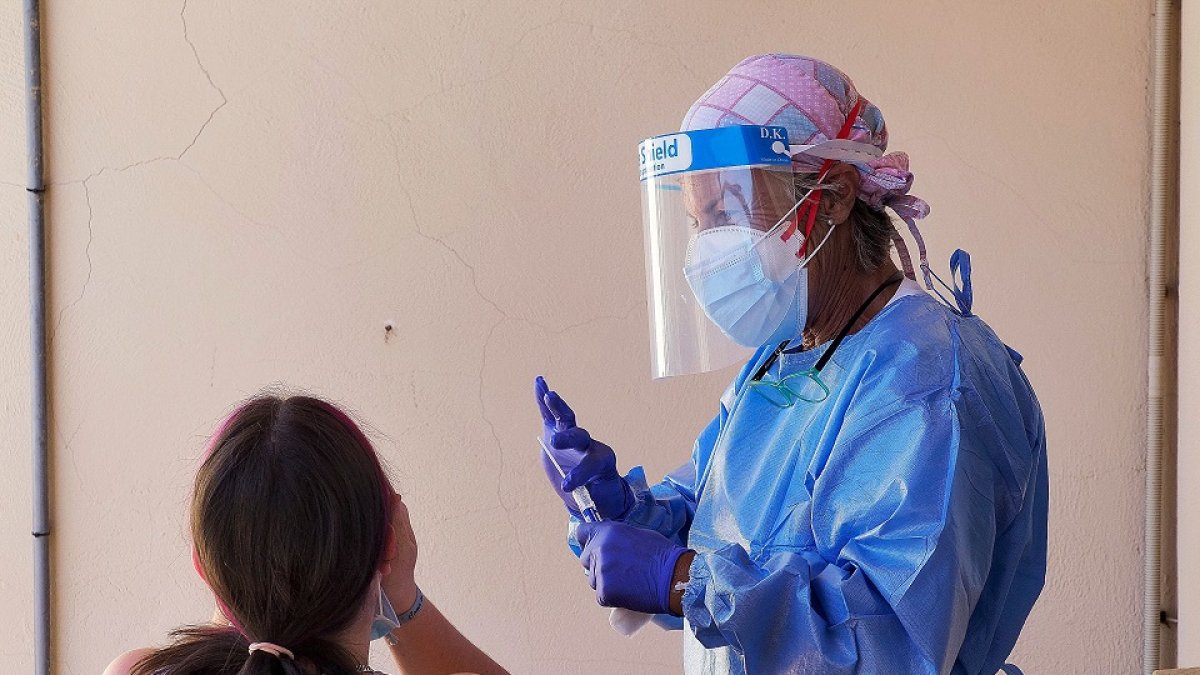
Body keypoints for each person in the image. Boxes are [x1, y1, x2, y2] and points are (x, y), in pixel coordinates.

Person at [535, 54, 1047, 674]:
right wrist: (627, 516)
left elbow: (889, 639)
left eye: (727, 215)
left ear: (828, 198)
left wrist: (680, 581)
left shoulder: (929, 380)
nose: (706, 252)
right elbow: (725, 534)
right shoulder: (788, 359)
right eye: (698, 223)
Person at [104, 394, 507, 675]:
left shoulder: (131, 671)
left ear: (202, 563)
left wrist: (240, 587)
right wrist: (404, 598)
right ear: (390, 544)